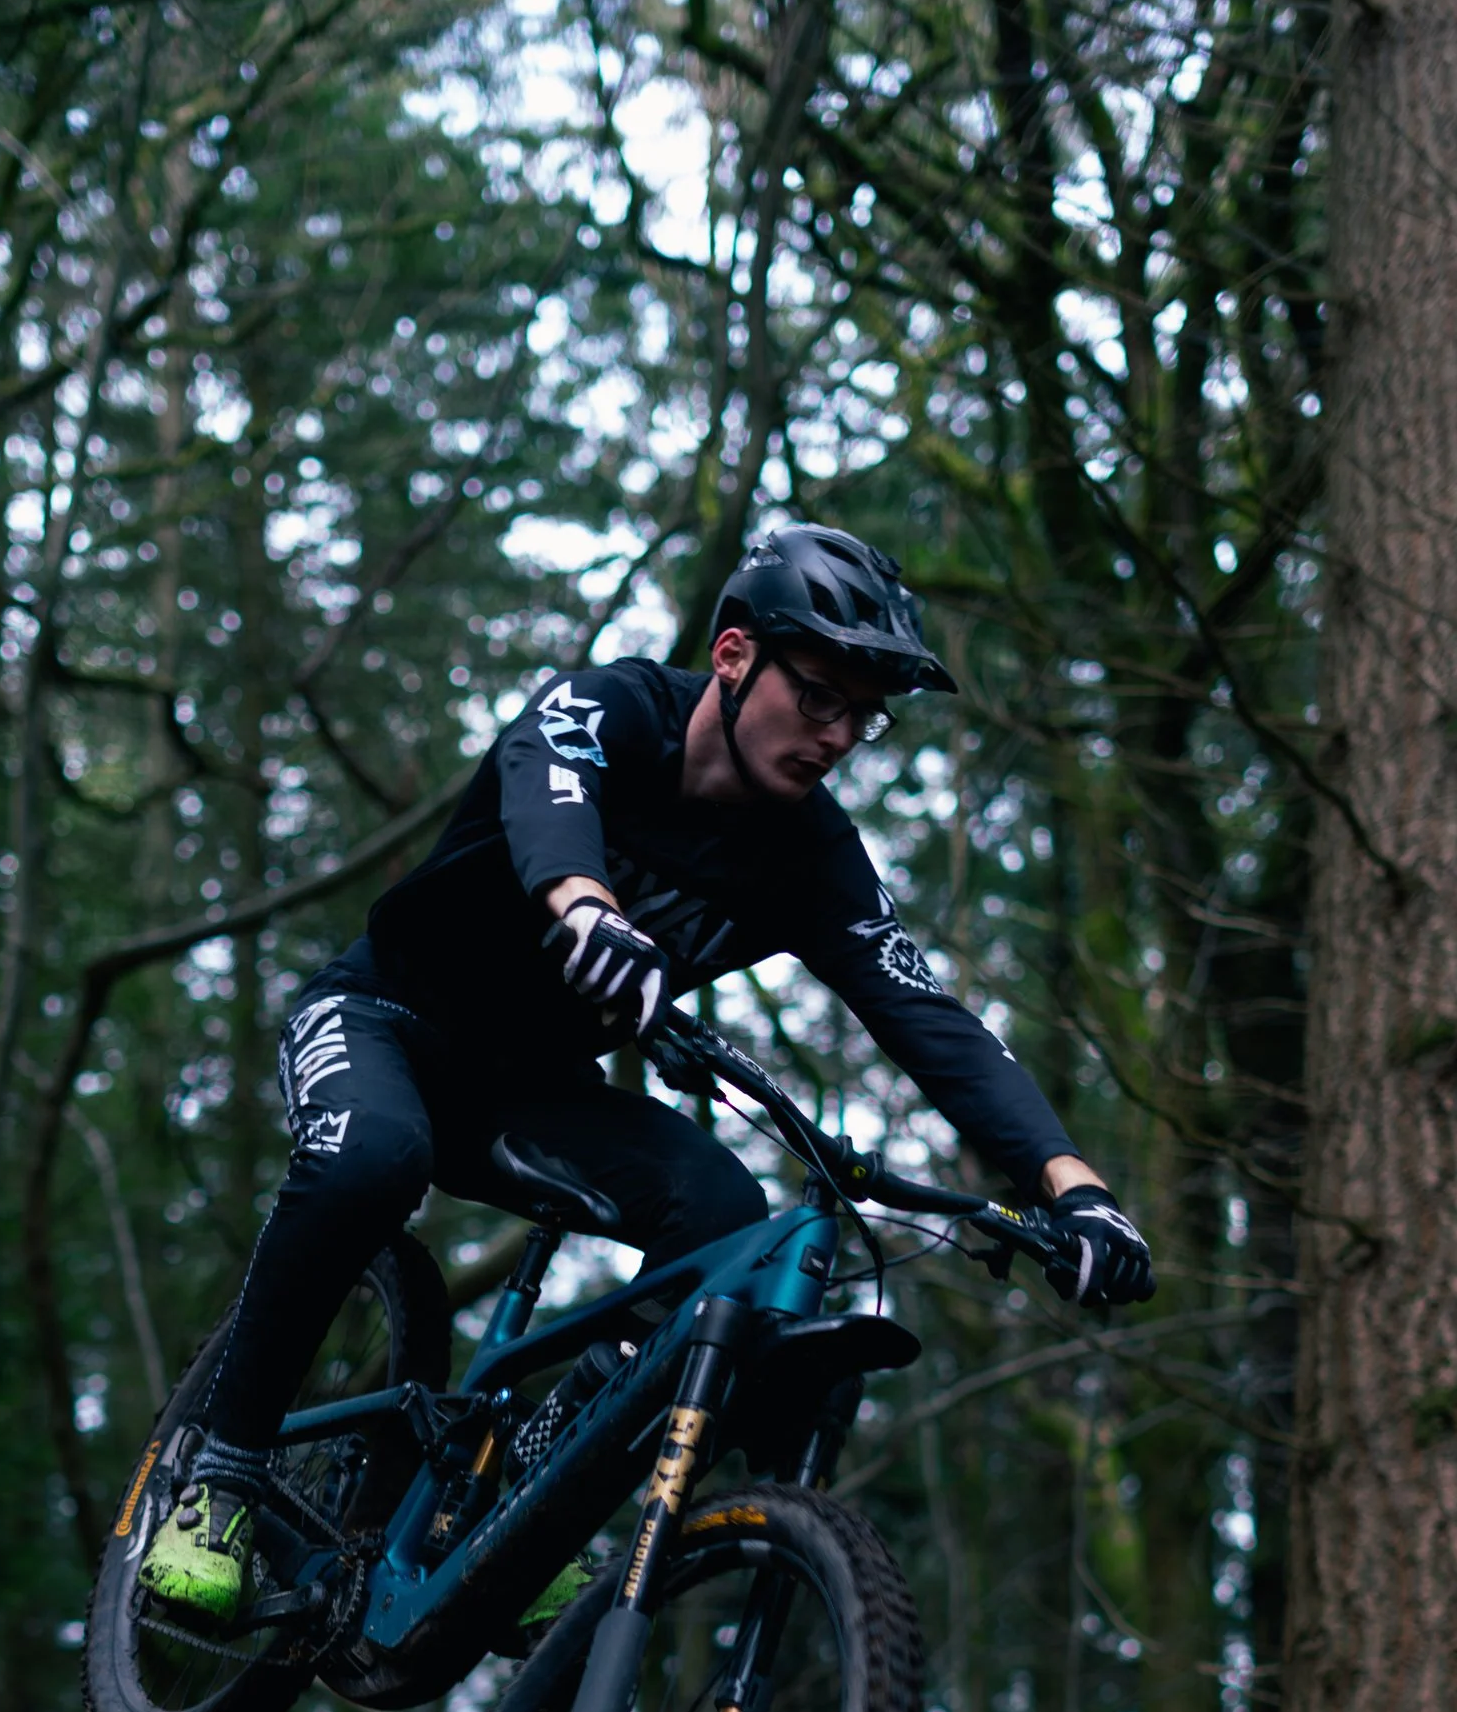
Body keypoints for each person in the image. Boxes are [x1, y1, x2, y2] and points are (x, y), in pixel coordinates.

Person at [142, 524, 1152, 1617]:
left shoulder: (811, 856)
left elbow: (929, 1019)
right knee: (371, 1164)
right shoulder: (612, 709)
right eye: (818, 695)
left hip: (525, 1091)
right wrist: (584, 904)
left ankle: (519, 1491)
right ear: (732, 656)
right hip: (384, 1018)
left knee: (722, 1214)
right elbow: (547, 791)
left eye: (863, 714)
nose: (838, 733)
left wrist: (1075, 1190)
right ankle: (219, 1478)